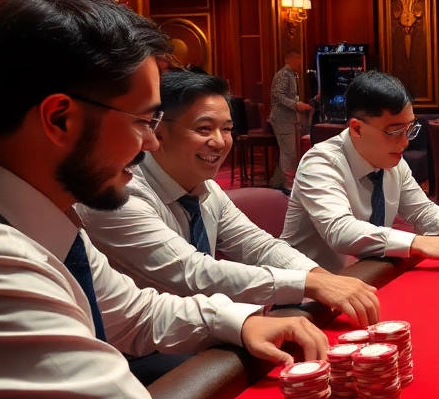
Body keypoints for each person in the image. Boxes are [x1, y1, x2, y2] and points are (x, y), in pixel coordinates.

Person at [0, 0, 439, 399]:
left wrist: (237, 322)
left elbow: (131, 310)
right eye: (145, 121)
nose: (151, 144)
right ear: (60, 119)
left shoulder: (40, 214)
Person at [81, 71, 382, 328]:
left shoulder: (207, 188)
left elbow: (257, 245)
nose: (220, 141)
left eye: (226, 129)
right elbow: (191, 272)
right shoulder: (122, 193)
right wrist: (310, 284)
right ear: (157, 131)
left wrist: (319, 276)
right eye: (203, 128)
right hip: (139, 351)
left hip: (203, 327)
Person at [282, 71, 439, 271]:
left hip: (366, 280)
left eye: (409, 129)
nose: (405, 142)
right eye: (395, 131)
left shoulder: (391, 160)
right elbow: (340, 231)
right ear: (357, 129)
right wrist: (416, 243)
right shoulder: (320, 163)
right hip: (308, 295)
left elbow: (422, 211)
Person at [269, 48, 311, 191]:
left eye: (299, 59)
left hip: (290, 118)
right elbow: (277, 95)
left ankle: (277, 183)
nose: (298, 62)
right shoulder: (283, 75)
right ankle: (288, 184)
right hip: (281, 119)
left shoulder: (293, 75)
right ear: (288, 59)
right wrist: (296, 105)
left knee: (288, 151)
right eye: (296, 59)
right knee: (289, 152)